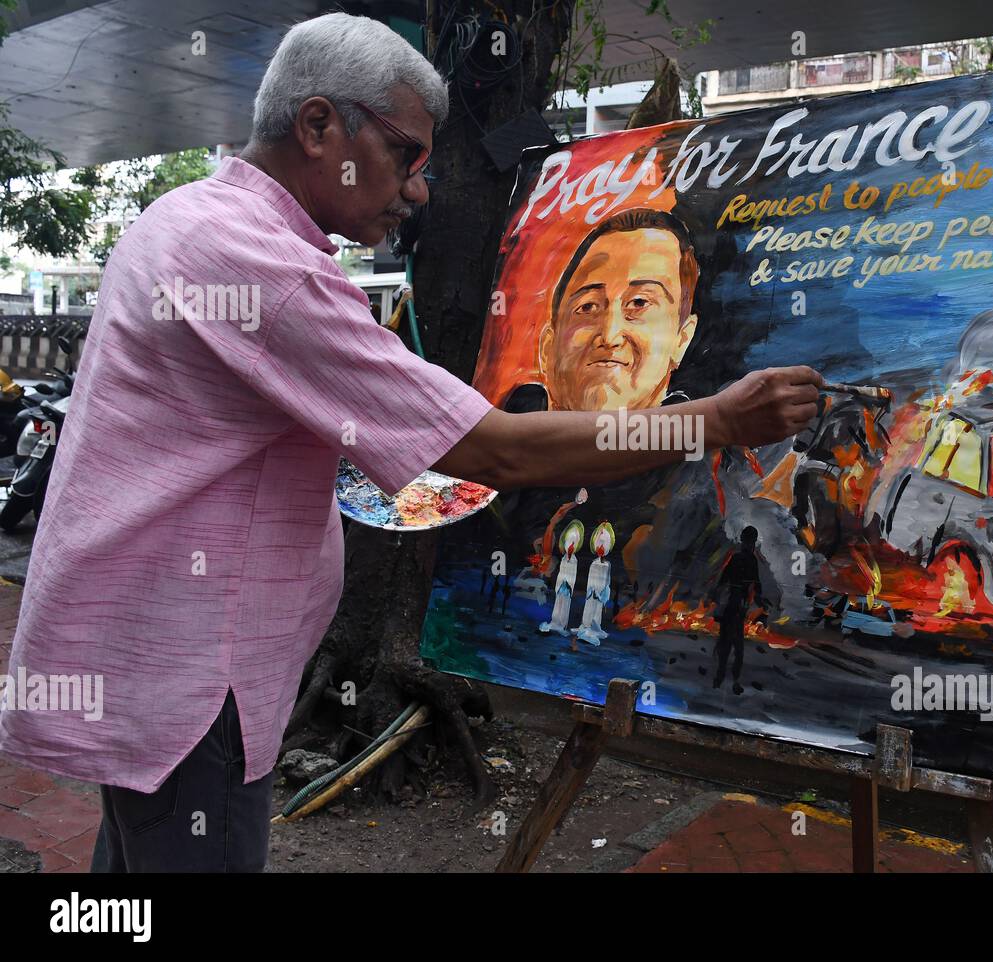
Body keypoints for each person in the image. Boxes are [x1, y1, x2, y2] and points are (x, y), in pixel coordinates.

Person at [0, 12, 822, 873]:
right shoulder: (257, 264)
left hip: (154, 656)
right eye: (405, 154)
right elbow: (499, 450)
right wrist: (716, 421)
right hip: (190, 680)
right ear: (320, 126)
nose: (418, 190)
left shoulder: (191, 218)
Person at [505, 207, 700, 415]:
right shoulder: (504, 443)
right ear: (547, 348)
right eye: (588, 306)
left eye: (639, 303)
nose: (609, 335)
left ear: (682, 339)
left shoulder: (702, 441)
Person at [711, 526, 764, 696]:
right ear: (752, 542)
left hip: (731, 604)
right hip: (738, 604)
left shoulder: (737, 557)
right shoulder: (750, 560)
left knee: (726, 641)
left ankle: (720, 678)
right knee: (736, 645)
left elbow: (722, 580)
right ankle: (732, 679)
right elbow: (756, 584)